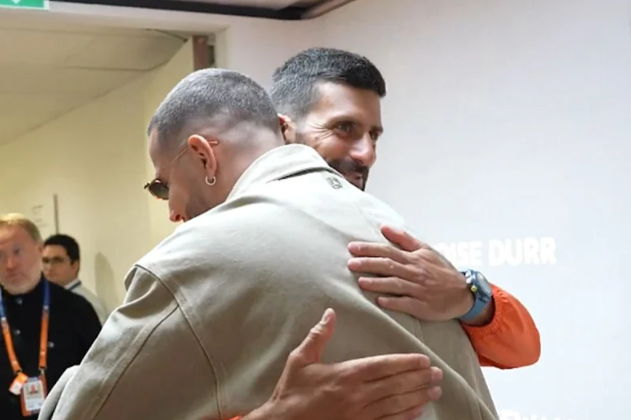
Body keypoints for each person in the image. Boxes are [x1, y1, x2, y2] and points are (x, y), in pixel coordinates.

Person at [42, 69, 496, 419]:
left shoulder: (196, 257)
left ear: (202, 155)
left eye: (163, 186)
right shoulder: (382, 220)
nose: (173, 212)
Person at [270, 47, 541, 369]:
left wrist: (468, 297)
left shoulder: (381, 238)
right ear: (283, 131)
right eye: (344, 128)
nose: (367, 154)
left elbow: (523, 349)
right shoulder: (232, 237)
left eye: (373, 136)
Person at [0, 214, 101, 420]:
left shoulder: (76, 309)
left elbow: (100, 378)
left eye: (18, 251)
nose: (10, 264)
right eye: (0, 255)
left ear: (40, 249)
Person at [43, 234, 108, 323]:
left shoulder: (88, 303)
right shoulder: (45, 298)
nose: (49, 267)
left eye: (57, 261)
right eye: (45, 261)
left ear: (74, 265)